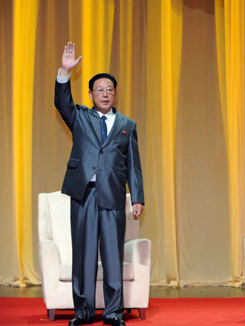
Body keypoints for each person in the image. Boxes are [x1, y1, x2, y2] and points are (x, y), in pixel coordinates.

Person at [55, 42, 145, 326]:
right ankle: (82, 312)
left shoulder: (127, 124)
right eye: (99, 90)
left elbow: (134, 164)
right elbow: (62, 103)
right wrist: (64, 73)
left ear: (115, 94)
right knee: (83, 253)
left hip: (113, 195)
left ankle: (113, 313)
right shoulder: (80, 117)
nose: (105, 94)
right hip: (83, 194)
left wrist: (138, 197)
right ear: (91, 94)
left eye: (109, 89)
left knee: (112, 254)